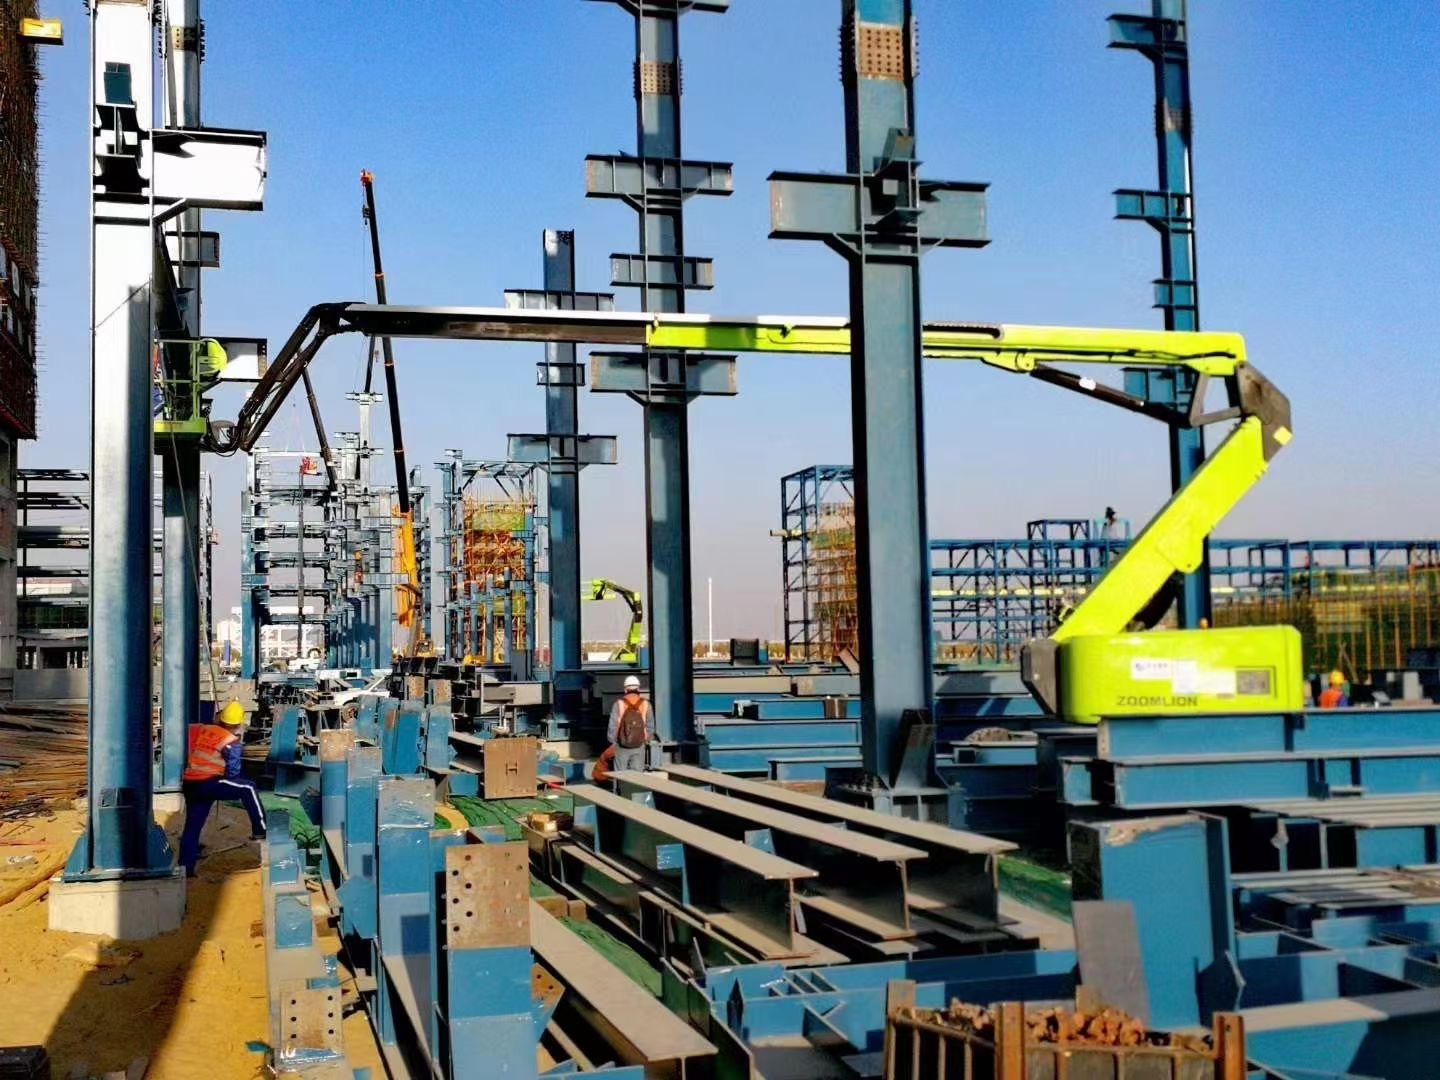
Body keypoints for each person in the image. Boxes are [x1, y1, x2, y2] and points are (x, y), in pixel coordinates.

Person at [178, 701, 267, 877]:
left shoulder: (204, 729)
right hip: (209, 783)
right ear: (238, 724)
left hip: (190, 783)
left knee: (192, 827)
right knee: (248, 787)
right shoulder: (231, 741)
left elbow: (191, 741)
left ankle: (186, 869)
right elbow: (233, 772)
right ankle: (260, 830)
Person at [606, 674, 652, 773]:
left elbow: (612, 726)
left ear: (625, 689)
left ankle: (620, 783)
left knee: (620, 773)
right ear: (638, 689)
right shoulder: (646, 704)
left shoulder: (618, 704)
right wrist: (645, 740)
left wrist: (613, 742)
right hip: (639, 744)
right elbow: (650, 726)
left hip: (621, 744)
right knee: (637, 774)